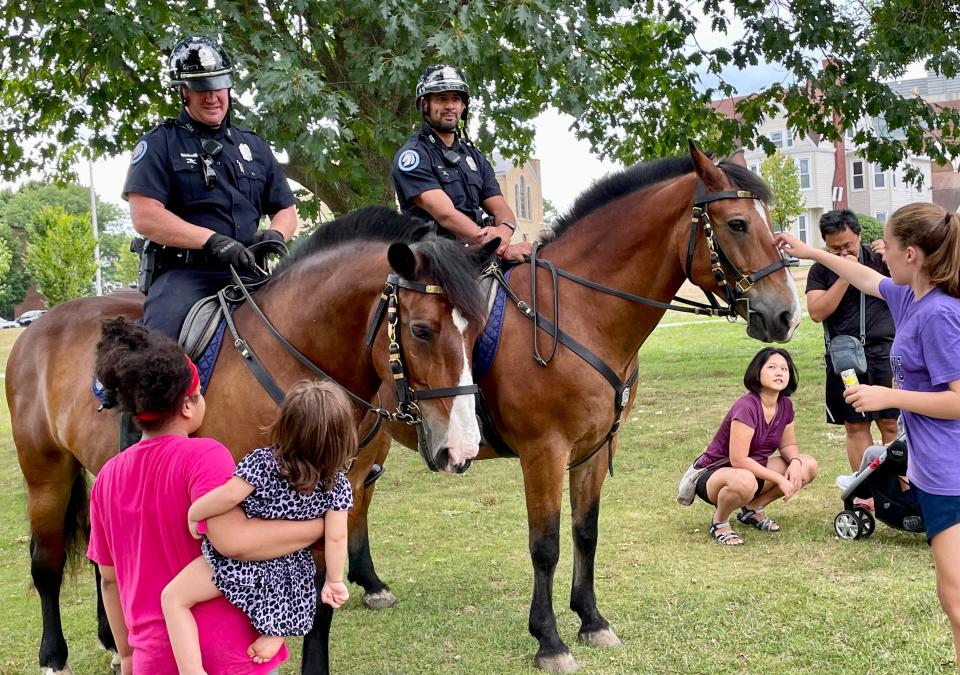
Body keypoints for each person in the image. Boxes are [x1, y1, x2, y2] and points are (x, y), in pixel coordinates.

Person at [776, 204, 960, 665]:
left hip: (953, 472)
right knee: (953, 601)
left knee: (956, 600)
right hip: (936, 472)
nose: (883, 254)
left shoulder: (938, 314)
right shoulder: (908, 297)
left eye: (891, 246)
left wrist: (889, 397)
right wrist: (805, 250)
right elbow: (857, 274)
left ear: (911, 254)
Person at [87, 318, 324, 674]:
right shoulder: (205, 456)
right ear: (188, 405)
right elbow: (234, 542)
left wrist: (129, 655)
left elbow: (109, 578)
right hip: (229, 653)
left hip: (152, 659)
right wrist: (318, 527)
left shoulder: (106, 477)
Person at [162, 380, 356, 672]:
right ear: (343, 438)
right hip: (289, 570)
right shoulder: (337, 485)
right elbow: (337, 538)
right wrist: (334, 580)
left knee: (174, 597)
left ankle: (192, 669)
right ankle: (274, 633)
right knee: (281, 594)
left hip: (242, 563)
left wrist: (194, 512)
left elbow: (227, 497)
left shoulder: (262, 463)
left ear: (285, 426)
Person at [123, 35, 298, 340]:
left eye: (218, 86)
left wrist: (275, 235)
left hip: (248, 273)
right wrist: (212, 241)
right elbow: (145, 216)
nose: (212, 97)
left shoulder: (254, 146)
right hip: (185, 277)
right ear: (183, 92)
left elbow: (286, 208)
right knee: (160, 357)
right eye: (201, 89)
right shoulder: (160, 143)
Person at [391, 64, 531, 262]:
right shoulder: (413, 157)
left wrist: (504, 231)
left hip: (480, 252)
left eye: (456, 99)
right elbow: (446, 216)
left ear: (463, 106)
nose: (450, 106)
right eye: (441, 98)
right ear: (425, 104)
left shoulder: (475, 157)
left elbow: (501, 209)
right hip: (433, 259)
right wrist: (496, 247)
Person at [689, 348, 818, 546]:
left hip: (752, 471)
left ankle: (753, 509)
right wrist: (778, 479)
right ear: (757, 373)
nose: (779, 372)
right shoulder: (746, 406)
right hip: (715, 474)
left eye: (784, 369)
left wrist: (795, 461)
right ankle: (719, 522)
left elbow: (788, 444)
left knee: (807, 465)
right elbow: (738, 460)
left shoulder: (785, 405)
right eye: (772, 367)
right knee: (745, 480)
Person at [806, 210, 899, 480]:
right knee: (856, 424)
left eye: (848, 245)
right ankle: (865, 490)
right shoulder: (821, 269)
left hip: (885, 352)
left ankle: (900, 489)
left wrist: (888, 258)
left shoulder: (880, 258)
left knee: (891, 423)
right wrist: (846, 274)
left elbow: (908, 288)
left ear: (859, 235)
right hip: (844, 357)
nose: (843, 252)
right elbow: (816, 311)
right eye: (835, 248)